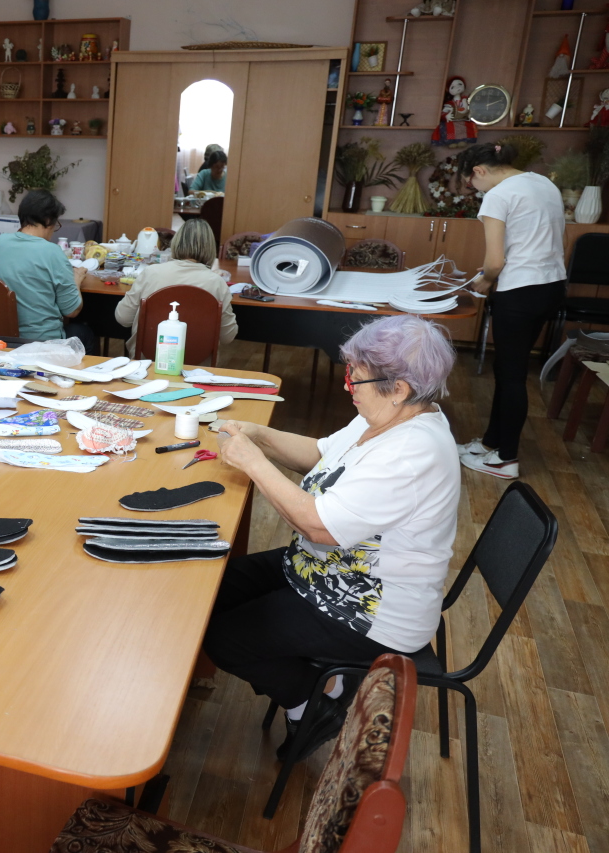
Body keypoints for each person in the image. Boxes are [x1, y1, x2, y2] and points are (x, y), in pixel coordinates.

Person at [204, 314, 460, 759]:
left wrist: (252, 463)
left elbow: (319, 525)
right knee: (205, 589)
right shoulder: (387, 415)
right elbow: (323, 454)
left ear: (398, 388)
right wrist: (259, 435)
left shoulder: (413, 451)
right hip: (321, 572)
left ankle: (314, 703)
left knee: (223, 637)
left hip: (372, 610)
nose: (348, 387)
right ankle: (322, 681)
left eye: (355, 379)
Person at [456, 143, 566, 479]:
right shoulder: (543, 183)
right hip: (551, 287)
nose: (475, 191)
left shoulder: (498, 195)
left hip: (519, 291)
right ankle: (491, 443)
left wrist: (484, 281)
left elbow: (494, 262)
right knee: (508, 369)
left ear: (479, 171)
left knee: (512, 375)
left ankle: (506, 458)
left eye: (470, 184)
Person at [0, 190, 96, 350]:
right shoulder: (52, 251)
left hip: (3, 338)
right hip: (42, 343)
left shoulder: (0, 242)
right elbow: (72, 311)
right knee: (84, 331)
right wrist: (76, 280)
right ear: (47, 220)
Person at [113, 219, 238, 355]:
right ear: (210, 248)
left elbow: (123, 318)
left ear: (176, 243)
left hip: (147, 362)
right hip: (197, 368)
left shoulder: (151, 273)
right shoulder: (217, 283)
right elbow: (228, 337)